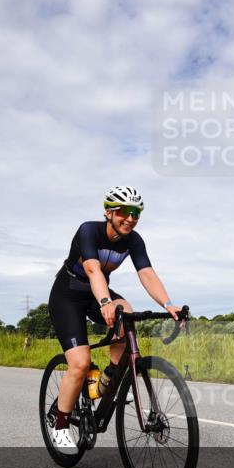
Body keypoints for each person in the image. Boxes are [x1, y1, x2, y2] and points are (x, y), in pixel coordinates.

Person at [47, 186, 181, 453]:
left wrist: (167, 304)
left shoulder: (133, 240)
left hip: (100, 293)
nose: (130, 218)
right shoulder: (89, 230)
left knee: (127, 312)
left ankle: (109, 378)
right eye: (124, 212)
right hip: (68, 296)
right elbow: (92, 269)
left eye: (136, 213)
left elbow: (147, 274)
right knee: (81, 362)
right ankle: (59, 423)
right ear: (109, 212)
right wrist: (106, 302)